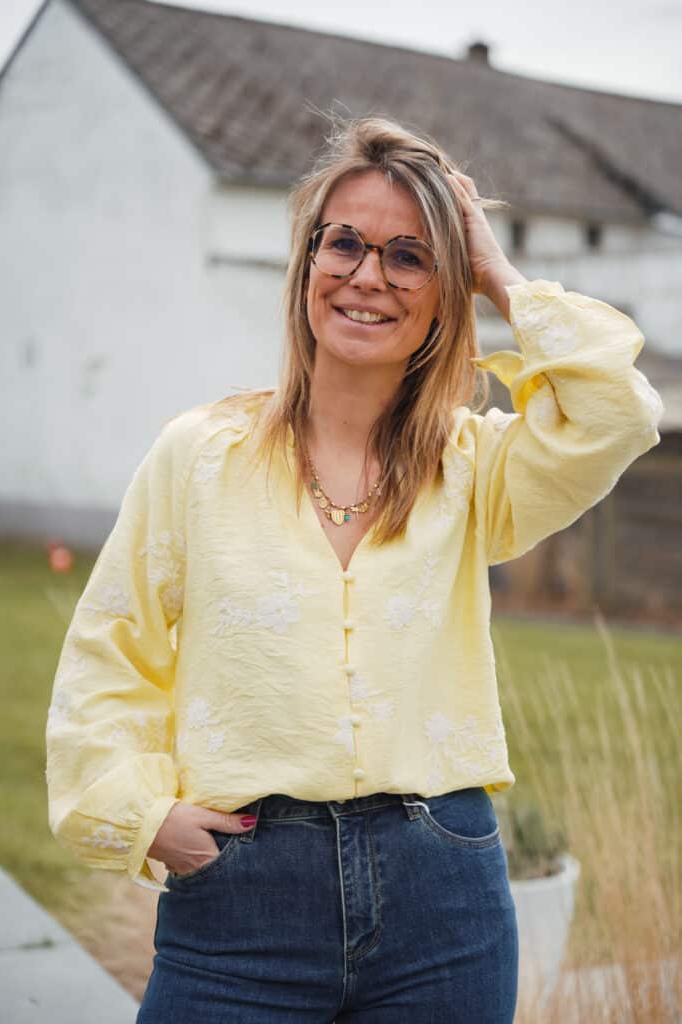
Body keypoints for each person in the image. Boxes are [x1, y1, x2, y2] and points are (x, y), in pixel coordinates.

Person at [45, 115, 664, 1022]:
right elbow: (110, 651)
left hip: (443, 902)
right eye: (345, 244)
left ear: (443, 295)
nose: (368, 275)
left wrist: (496, 272)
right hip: (240, 904)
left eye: (410, 256)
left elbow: (618, 412)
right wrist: (142, 816)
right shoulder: (199, 455)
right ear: (306, 267)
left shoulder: (473, 467)